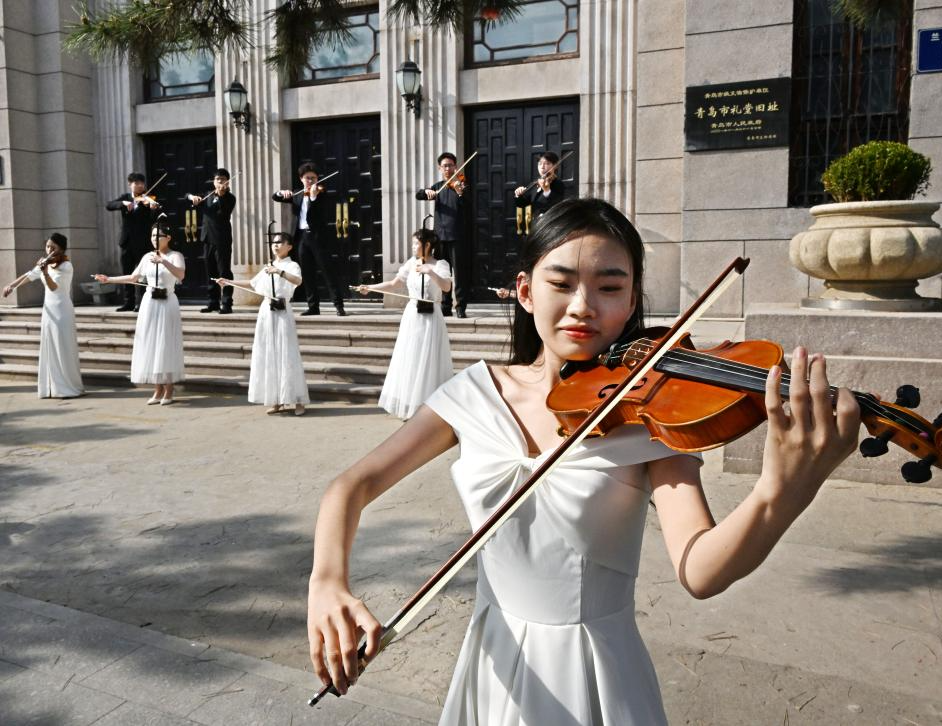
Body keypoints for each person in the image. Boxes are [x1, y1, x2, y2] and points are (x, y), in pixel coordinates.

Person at [306, 198, 861, 724]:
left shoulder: (650, 416)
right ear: (525, 291)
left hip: (596, 665)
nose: (582, 307)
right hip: (491, 653)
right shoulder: (473, 393)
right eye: (562, 283)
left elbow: (700, 569)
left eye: (609, 287)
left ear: (632, 302)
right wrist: (327, 579)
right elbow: (352, 485)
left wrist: (780, 492)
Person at [356, 227, 454, 419]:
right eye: (413, 243)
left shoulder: (440, 264)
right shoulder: (411, 263)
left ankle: (430, 406)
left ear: (428, 245)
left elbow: (447, 287)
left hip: (431, 316)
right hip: (412, 315)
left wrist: (431, 272)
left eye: (416, 243)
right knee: (411, 357)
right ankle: (411, 404)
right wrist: (370, 288)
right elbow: (394, 284)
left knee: (429, 358)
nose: (413, 246)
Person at [94, 219, 185, 405]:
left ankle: (169, 389)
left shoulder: (176, 255)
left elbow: (181, 274)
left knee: (165, 343)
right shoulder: (146, 257)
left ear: (168, 237)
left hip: (167, 302)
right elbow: (134, 277)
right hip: (150, 303)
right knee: (151, 343)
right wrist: (109, 279)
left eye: (158, 236)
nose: (154, 239)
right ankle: (157, 389)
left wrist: (163, 262)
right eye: (152, 236)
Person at [218, 232, 309, 416]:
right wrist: (229, 282)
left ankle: (298, 400)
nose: (275, 245)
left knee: (287, 353)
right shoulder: (269, 266)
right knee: (269, 354)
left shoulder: (292, 265)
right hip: (267, 311)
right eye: (273, 243)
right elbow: (253, 284)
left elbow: (298, 281)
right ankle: (276, 399)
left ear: (289, 246)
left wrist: (280, 272)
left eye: (280, 242)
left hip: (282, 311)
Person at [2, 232, 84, 398]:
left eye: (53, 247)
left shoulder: (66, 266)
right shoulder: (46, 263)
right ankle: (51, 387)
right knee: (50, 347)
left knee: (62, 347)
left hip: (62, 311)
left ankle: (67, 387)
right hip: (49, 310)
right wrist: (11, 286)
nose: (49, 250)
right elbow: (29, 275)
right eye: (47, 246)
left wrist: (45, 272)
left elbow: (54, 287)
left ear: (61, 249)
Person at [273, 163, 346, 317]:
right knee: (307, 273)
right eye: (307, 178)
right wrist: (282, 192)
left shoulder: (321, 193)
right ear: (301, 179)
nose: (311, 181)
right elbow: (275, 197)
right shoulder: (297, 195)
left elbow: (319, 207)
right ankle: (313, 306)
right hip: (302, 237)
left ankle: (339, 306)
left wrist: (313, 196)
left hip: (318, 238)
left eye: (313, 178)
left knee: (327, 271)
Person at [415, 152, 467, 318]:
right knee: (444, 273)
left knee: (459, 274)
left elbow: (468, 205)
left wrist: (460, 193)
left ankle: (460, 307)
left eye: (450, 165)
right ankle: (446, 306)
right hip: (440, 238)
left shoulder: (462, 186)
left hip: (457, 237)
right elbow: (418, 195)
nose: (448, 168)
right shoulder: (437, 186)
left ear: (455, 167)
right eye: (444, 166)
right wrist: (426, 192)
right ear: (440, 168)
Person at [105, 172, 161, 312]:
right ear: (130, 184)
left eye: (142, 183)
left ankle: (141, 302)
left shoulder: (149, 199)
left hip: (143, 243)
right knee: (127, 272)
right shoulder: (125, 198)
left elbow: (155, 218)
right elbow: (109, 205)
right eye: (136, 183)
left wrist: (154, 208)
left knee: (142, 275)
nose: (140, 185)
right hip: (127, 242)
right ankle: (128, 302)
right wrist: (122, 203)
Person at [189, 168, 236, 314]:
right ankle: (213, 302)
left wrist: (221, 195)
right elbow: (187, 196)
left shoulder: (229, 198)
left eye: (223, 179)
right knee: (211, 272)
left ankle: (227, 303)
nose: (220, 182)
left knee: (224, 272)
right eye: (217, 180)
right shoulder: (207, 196)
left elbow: (223, 212)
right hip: (207, 239)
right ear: (214, 182)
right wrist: (192, 198)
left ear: (227, 182)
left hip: (221, 240)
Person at [514, 151, 567, 219]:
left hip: (548, 224)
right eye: (540, 164)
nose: (542, 167)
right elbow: (523, 205)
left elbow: (556, 204)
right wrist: (519, 195)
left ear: (555, 166)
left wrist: (547, 190)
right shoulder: (536, 184)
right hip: (536, 225)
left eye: (547, 163)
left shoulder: (558, 184)